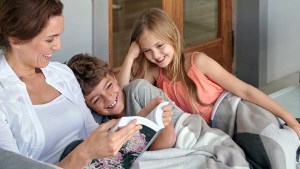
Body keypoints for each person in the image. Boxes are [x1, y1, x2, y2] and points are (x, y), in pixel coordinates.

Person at [0, 0, 159, 168]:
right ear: (15, 39)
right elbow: (12, 165)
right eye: (49, 40)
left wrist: (136, 124)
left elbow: (92, 132)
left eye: (59, 35)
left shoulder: (62, 74)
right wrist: (85, 153)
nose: (58, 46)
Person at [117, 8, 300, 138]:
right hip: (212, 134)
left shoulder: (197, 62)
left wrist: (289, 119)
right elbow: (126, 92)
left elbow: (245, 91)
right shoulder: (156, 74)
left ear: (172, 37)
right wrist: (130, 56)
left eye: (159, 45)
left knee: (275, 140)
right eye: (147, 50)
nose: (155, 55)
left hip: (236, 116)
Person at [67, 53, 176, 151]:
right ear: (88, 107)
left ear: (114, 77)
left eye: (109, 85)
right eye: (96, 99)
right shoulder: (104, 126)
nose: (108, 98)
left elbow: (169, 139)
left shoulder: (138, 90)